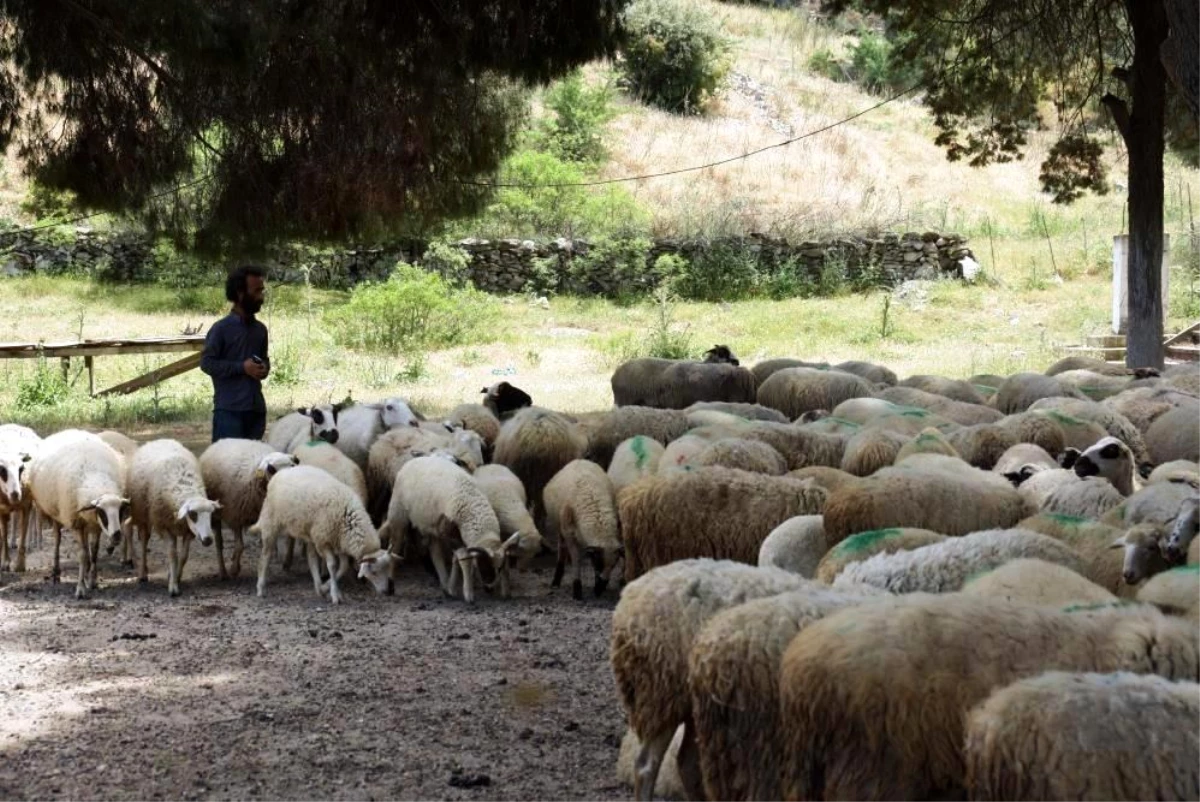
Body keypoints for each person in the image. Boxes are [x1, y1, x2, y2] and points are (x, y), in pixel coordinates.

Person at [201, 265, 270, 442]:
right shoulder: (220, 329)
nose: (261, 297)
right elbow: (207, 363)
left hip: (255, 412)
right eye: (257, 291)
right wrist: (242, 367)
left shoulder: (260, 330)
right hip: (229, 413)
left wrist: (263, 368)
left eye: (262, 291)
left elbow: (265, 360)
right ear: (240, 293)